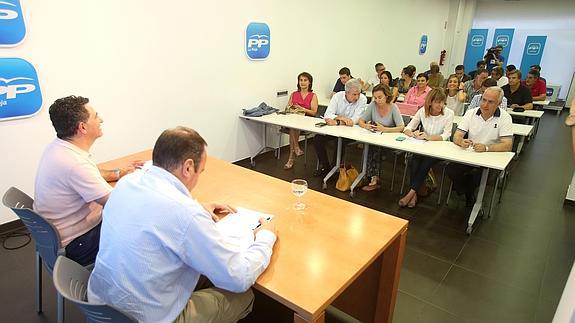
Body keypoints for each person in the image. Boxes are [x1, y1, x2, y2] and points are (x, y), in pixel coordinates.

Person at [88, 127, 277, 323]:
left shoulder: (128, 183)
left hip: (104, 306)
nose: (198, 177)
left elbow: (159, 212)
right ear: (188, 168)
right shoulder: (186, 214)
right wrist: (265, 237)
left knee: (203, 270)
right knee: (244, 296)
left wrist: (199, 208)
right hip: (148, 318)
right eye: (200, 171)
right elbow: (239, 278)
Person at [34, 95, 142, 266]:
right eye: (96, 116)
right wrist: (141, 180)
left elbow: (89, 173)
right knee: (144, 230)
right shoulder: (74, 163)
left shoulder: (59, 148)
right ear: (82, 127)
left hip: (58, 237)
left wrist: (119, 173)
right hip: (78, 245)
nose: (101, 120)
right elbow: (119, 204)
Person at [447, 87, 513, 206]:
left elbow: (508, 145)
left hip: (490, 157)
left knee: (477, 176)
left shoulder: (505, 117)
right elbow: (457, 136)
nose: (485, 104)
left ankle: (468, 195)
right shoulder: (471, 113)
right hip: (469, 154)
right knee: (451, 169)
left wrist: (486, 148)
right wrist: (461, 142)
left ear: (499, 103)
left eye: (490, 102)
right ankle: (468, 192)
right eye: (484, 100)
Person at [399, 88, 454, 207]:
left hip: (440, 148)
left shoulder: (449, 113)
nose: (441, 105)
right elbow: (407, 128)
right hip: (424, 146)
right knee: (414, 160)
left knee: (425, 163)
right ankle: (414, 195)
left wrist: (429, 137)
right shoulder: (422, 111)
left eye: (443, 102)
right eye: (437, 102)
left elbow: (446, 135)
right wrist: (413, 134)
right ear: (430, 102)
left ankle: (410, 193)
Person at [314, 79, 367, 177]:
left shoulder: (362, 99)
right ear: (346, 92)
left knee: (341, 141)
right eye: (354, 94)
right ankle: (326, 167)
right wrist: (342, 118)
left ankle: (335, 169)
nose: (357, 97)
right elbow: (328, 114)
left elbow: (354, 120)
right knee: (318, 138)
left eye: (358, 94)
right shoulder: (337, 96)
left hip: (352, 132)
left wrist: (337, 121)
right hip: (335, 130)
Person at [358, 84, 404, 191]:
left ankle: (374, 179)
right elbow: (361, 120)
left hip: (389, 141)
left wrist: (384, 129)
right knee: (369, 146)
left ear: (386, 96)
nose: (377, 100)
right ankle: (367, 176)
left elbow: (401, 127)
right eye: (375, 98)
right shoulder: (372, 105)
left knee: (374, 148)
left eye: (380, 97)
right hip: (375, 138)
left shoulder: (393, 107)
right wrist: (366, 126)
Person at [283, 72, 318, 169]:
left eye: (305, 80)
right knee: (293, 126)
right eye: (301, 80)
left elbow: (314, 112)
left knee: (293, 127)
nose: (302, 82)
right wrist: (292, 108)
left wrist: (302, 109)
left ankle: (291, 157)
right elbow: (288, 107)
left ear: (309, 82)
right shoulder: (294, 94)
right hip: (294, 120)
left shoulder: (313, 95)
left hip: (306, 121)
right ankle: (296, 148)